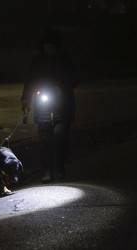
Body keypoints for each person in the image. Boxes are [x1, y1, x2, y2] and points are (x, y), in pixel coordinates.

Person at [21, 29, 78, 183]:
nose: (49, 49)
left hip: (63, 105)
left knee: (60, 136)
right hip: (42, 105)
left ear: (57, 46)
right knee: (45, 139)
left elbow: (75, 79)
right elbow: (29, 81)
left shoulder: (65, 60)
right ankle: (47, 170)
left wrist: (62, 87)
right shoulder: (37, 61)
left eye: (52, 46)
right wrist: (26, 99)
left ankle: (60, 166)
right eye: (46, 46)